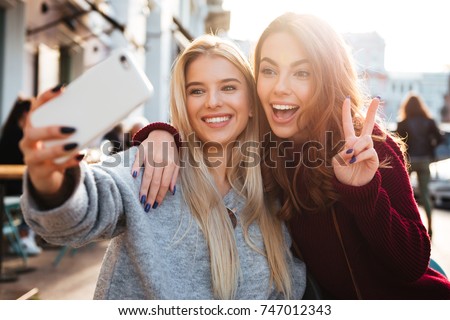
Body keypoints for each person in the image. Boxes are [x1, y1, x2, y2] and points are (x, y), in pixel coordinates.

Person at [134, 13, 450, 299]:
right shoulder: (264, 152)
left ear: (326, 77)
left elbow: (413, 264)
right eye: (269, 70)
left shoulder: (370, 147)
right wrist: (161, 134)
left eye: (301, 73)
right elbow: (210, 128)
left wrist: (364, 193)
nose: (280, 87)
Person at [19, 35, 306, 299]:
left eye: (229, 87)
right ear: (184, 102)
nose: (213, 102)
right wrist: (50, 179)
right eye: (197, 91)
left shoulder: (274, 184)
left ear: (252, 103)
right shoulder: (150, 165)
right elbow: (78, 217)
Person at [396, 92, 444, 238]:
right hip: (425, 161)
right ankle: (430, 228)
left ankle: (409, 227)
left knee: (405, 195)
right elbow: (440, 139)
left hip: (409, 161)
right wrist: (431, 147)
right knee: (425, 194)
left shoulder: (402, 123)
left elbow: (398, 143)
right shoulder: (429, 121)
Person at [0, 97, 42, 255]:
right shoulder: (17, 134)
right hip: (10, 185)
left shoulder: (11, 130)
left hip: (13, 183)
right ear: (26, 113)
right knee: (37, 195)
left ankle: (27, 236)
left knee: (39, 192)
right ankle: (24, 237)